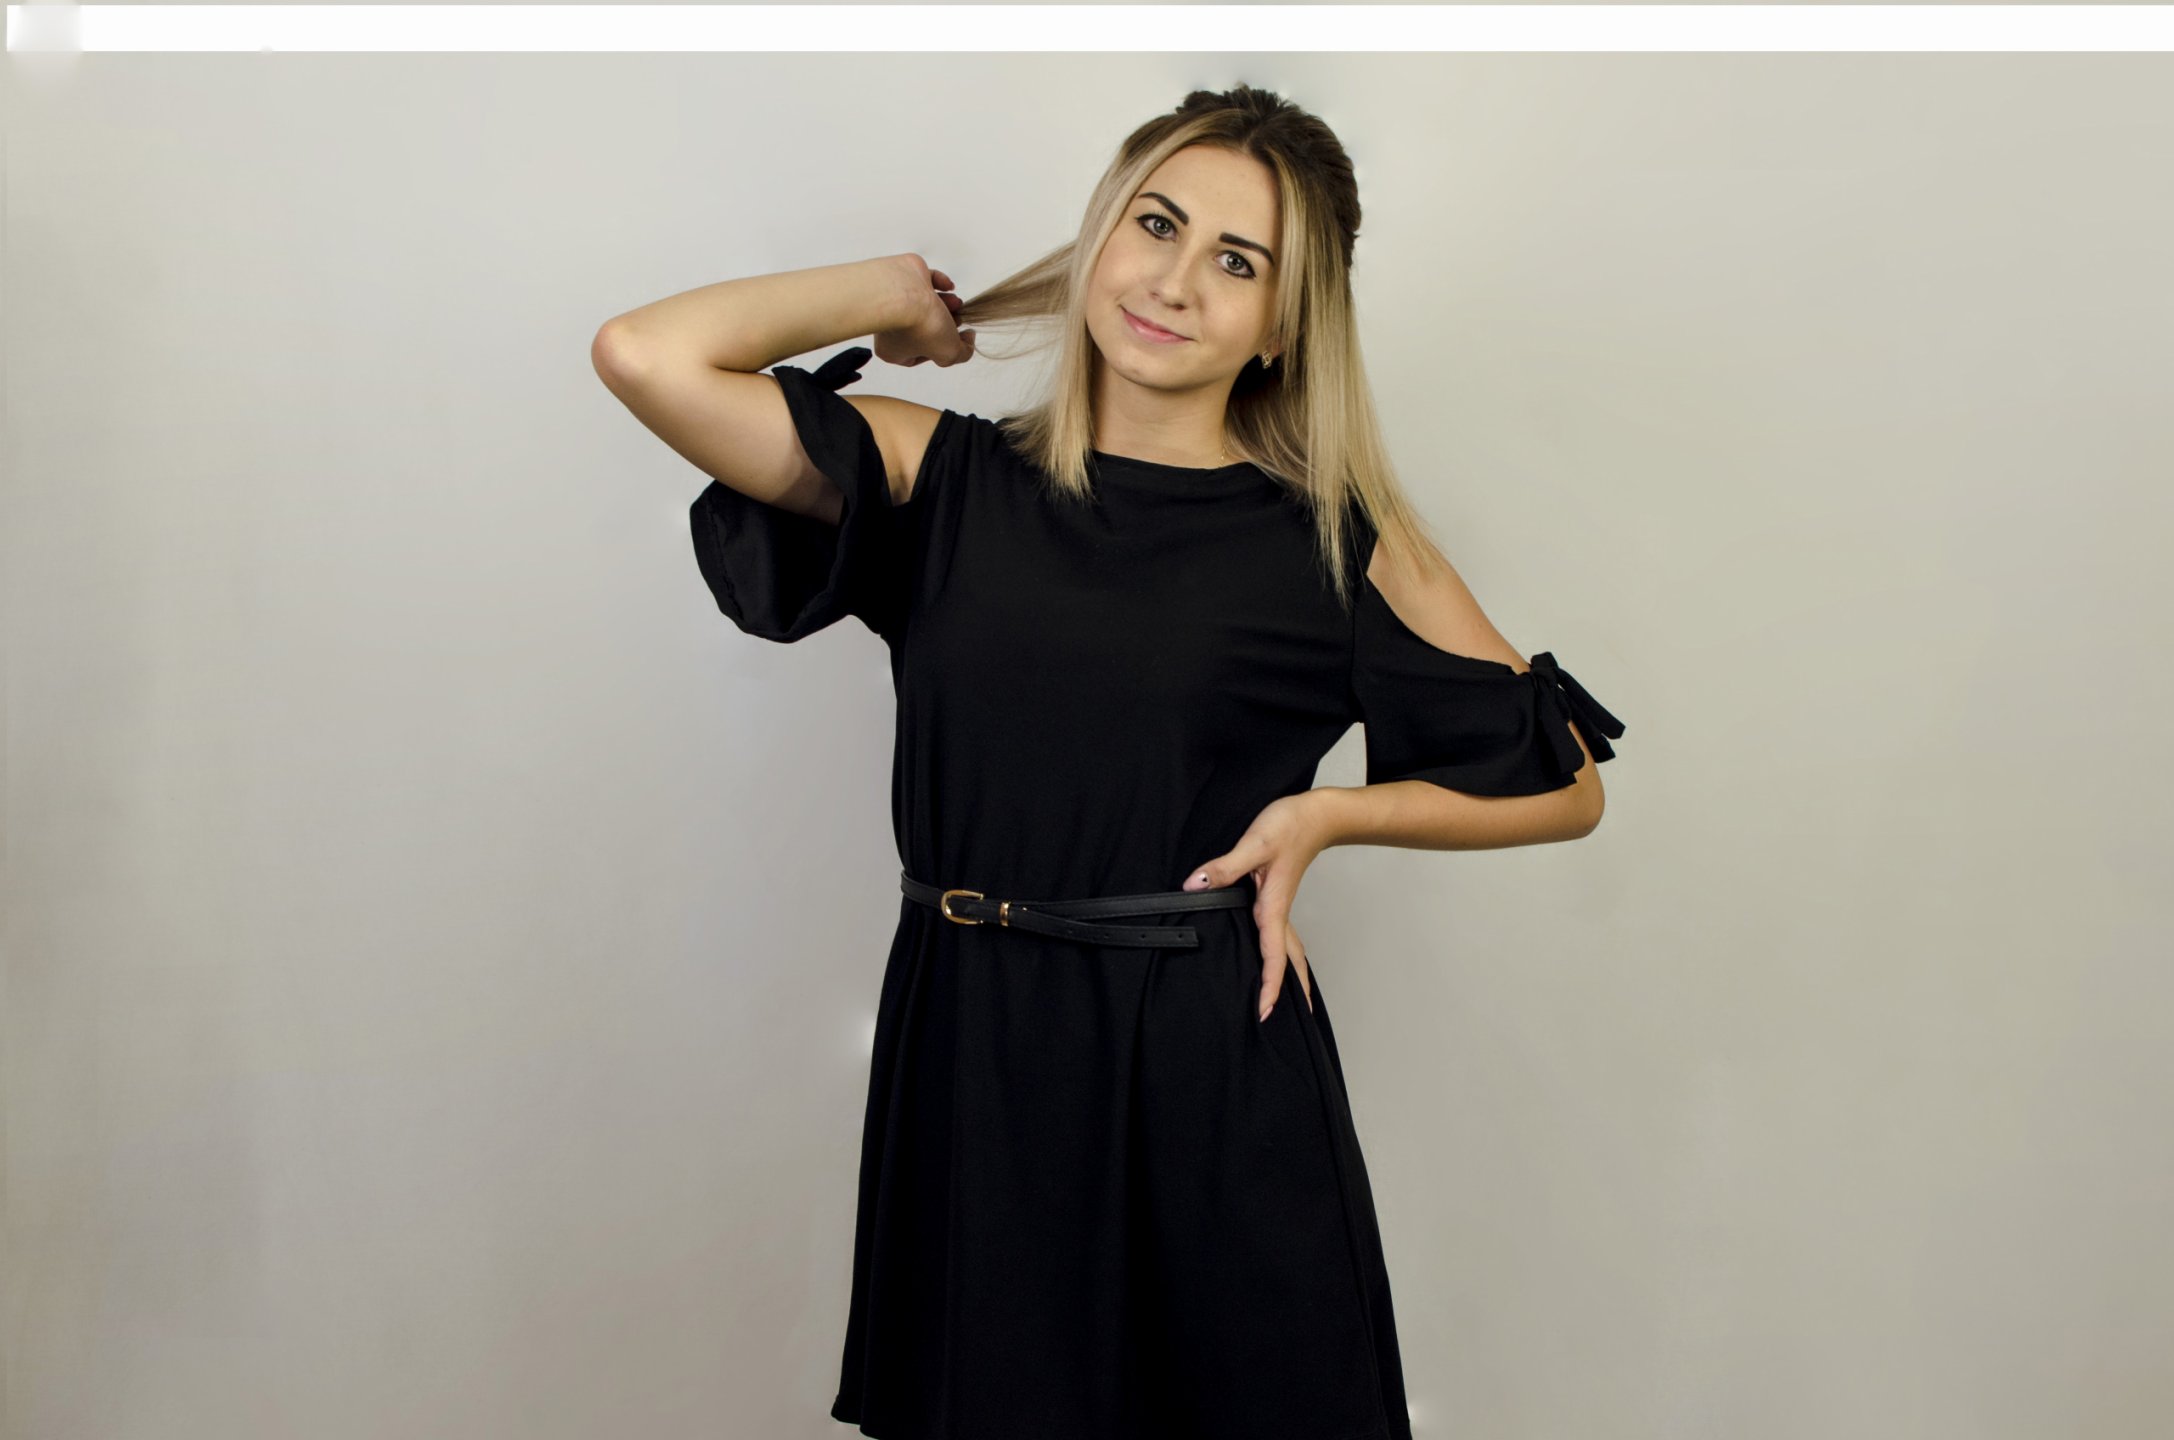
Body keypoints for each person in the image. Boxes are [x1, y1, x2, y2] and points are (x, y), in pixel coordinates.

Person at [595, 82, 1624, 1440]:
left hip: (1204, 1061)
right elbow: (645, 354)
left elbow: (1565, 784)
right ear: (1101, 234)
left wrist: (1329, 815)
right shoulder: (939, 476)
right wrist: (893, 293)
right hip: (971, 1048)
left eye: (1239, 262)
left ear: (1284, 325)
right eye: (1156, 223)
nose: (1176, 282)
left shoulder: (1332, 540)